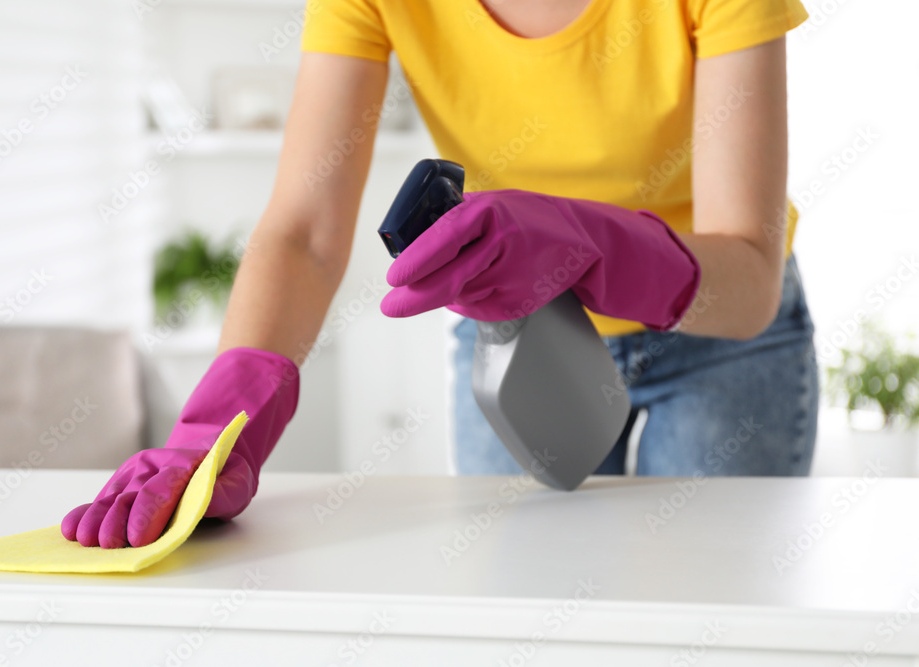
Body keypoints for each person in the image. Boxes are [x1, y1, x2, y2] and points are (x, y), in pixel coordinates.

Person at [62, 0, 819, 549]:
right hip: (523, 333)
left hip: (719, 339)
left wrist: (589, 242)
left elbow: (748, 280)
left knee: (710, 619)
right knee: (535, 617)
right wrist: (218, 426)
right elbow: (303, 232)